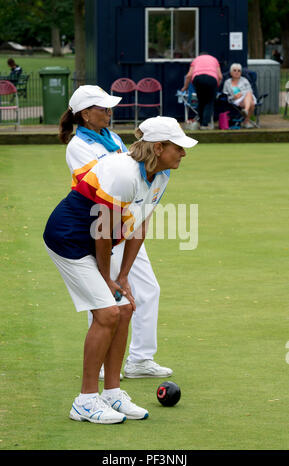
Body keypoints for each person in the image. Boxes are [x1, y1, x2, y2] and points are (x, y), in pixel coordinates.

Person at [43, 115, 198, 424]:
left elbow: (139, 226)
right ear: (158, 147)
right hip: (68, 239)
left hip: (98, 239)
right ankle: (85, 400)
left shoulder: (161, 175)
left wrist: (123, 275)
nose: (183, 153)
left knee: (125, 308)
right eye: (178, 147)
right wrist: (106, 277)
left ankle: (112, 393)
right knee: (108, 313)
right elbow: (102, 233)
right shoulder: (122, 173)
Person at [59, 85, 174, 380]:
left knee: (148, 289)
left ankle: (140, 359)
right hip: (102, 226)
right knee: (103, 294)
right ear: (85, 114)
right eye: (103, 108)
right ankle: (99, 363)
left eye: (110, 108)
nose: (110, 112)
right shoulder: (78, 146)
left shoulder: (113, 137)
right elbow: (101, 185)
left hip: (129, 223)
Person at [181, 52, 223, 130]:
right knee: (209, 102)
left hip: (198, 79)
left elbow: (189, 75)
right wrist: (216, 87)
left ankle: (200, 122)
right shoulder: (214, 60)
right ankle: (205, 124)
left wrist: (185, 87)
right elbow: (220, 76)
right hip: (212, 79)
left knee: (201, 101)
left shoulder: (196, 60)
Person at [222, 63, 256, 129]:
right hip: (235, 100)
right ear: (231, 72)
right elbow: (225, 94)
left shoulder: (245, 80)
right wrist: (234, 97)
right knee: (252, 104)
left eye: (239, 71)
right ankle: (246, 122)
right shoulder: (227, 82)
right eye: (234, 70)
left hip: (247, 97)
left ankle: (245, 110)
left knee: (249, 93)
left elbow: (250, 90)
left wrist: (241, 94)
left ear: (241, 72)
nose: (237, 72)